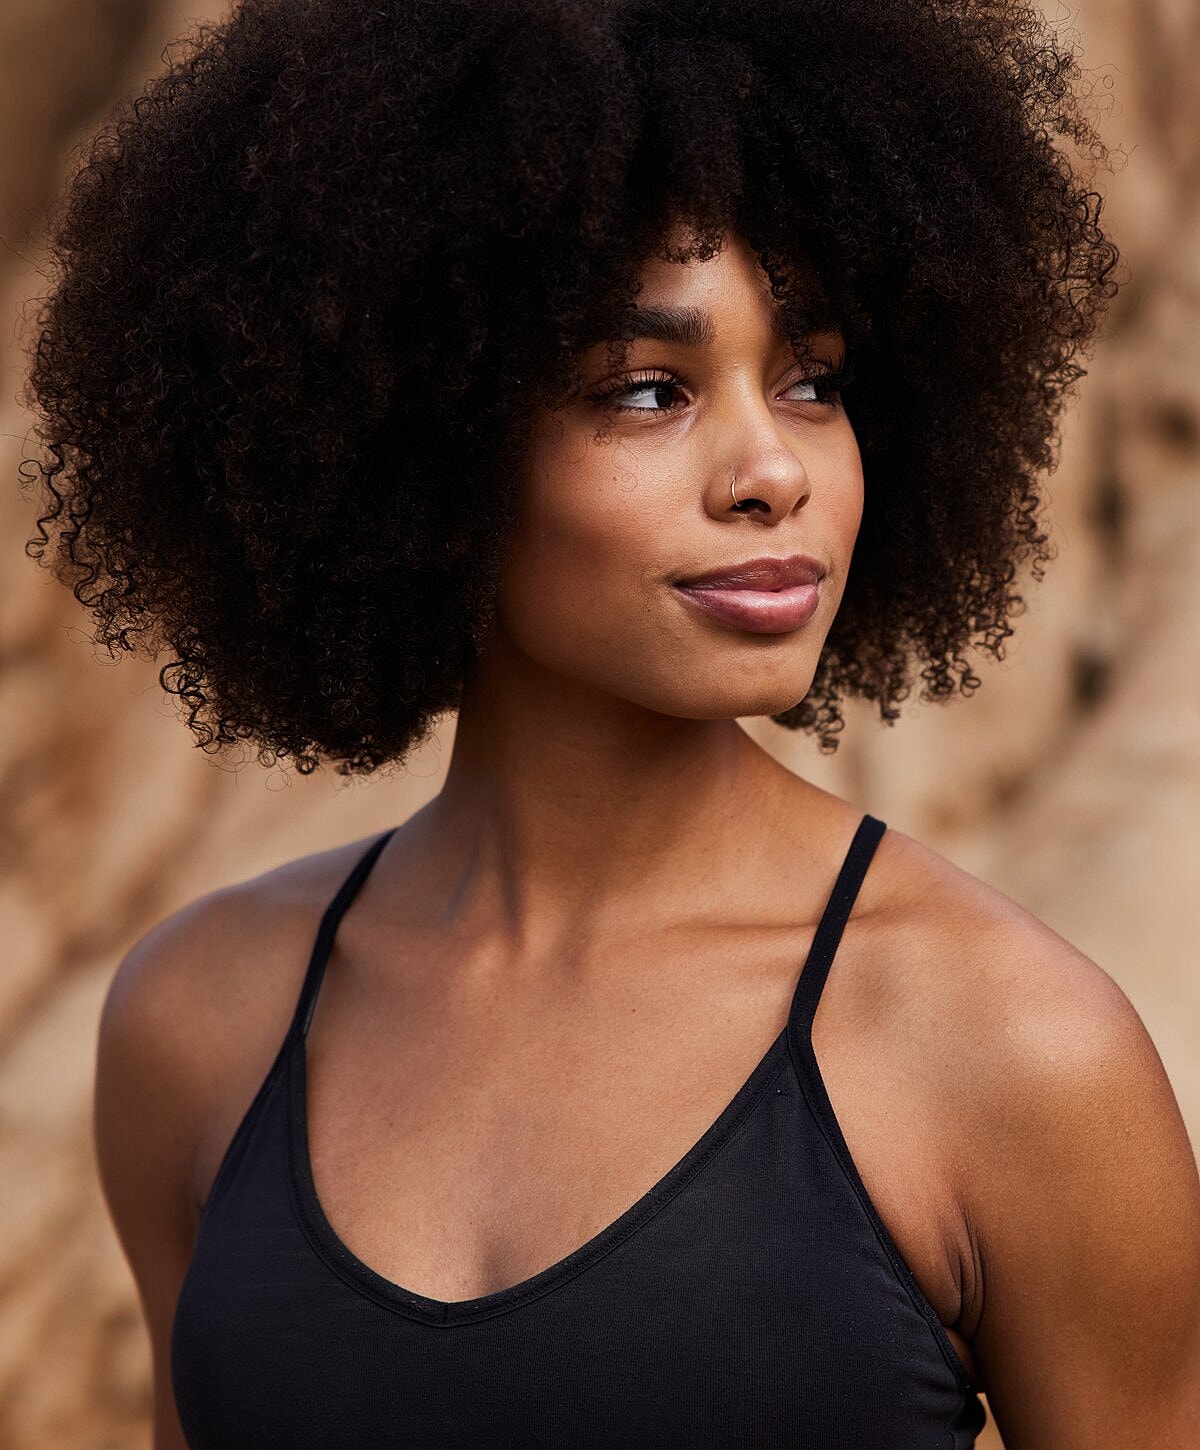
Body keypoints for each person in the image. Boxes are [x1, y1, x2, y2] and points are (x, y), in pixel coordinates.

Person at [21, 0, 1200, 1444]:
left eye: (813, 379)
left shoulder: (1016, 1051)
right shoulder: (197, 1024)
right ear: (418, 442)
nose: (774, 470)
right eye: (650, 390)